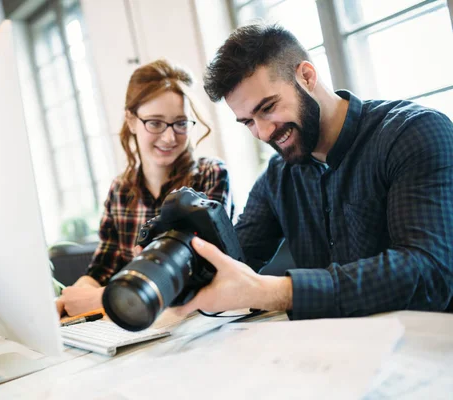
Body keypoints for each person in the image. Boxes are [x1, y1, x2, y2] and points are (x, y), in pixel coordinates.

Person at [174, 23, 453, 320]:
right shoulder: (277, 177)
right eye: (248, 122)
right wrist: (173, 265)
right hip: (339, 351)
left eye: (268, 107)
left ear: (306, 76)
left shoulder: (414, 133)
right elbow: (233, 259)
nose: (264, 132)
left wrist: (275, 291)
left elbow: (428, 271)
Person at [56, 59, 234, 317]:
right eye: (155, 122)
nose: (169, 137)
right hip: (136, 321)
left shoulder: (211, 175)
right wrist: (68, 300)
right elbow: (101, 270)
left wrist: (103, 298)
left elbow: (197, 272)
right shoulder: (120, 190)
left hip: (195, 321)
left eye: (181, 123)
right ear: (131, 121)